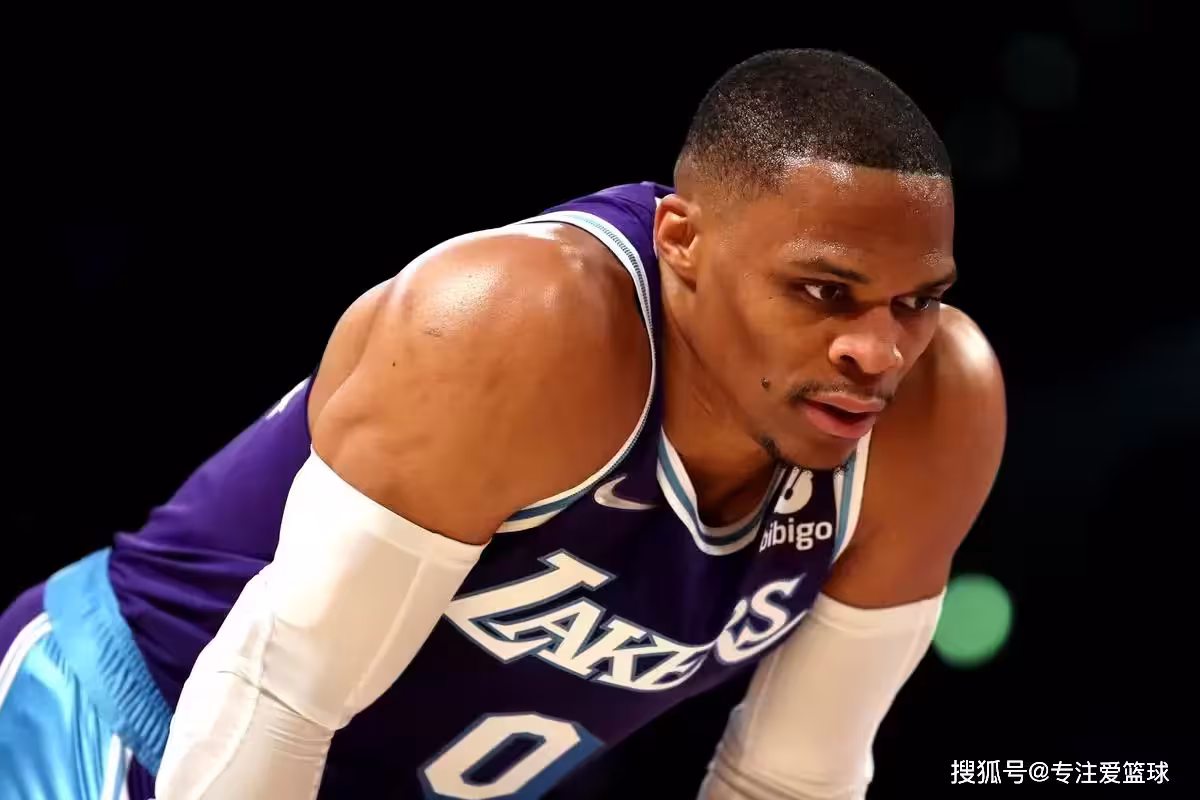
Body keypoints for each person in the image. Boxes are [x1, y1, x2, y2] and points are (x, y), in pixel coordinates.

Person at [0, 48, 1005, 799]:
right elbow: (278, 695)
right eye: (824, 290)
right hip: (138, 721)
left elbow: (790, 778)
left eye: (917, 300)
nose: (880, 350)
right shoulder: (524, 325)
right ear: (681, 241)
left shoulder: (935, 404)